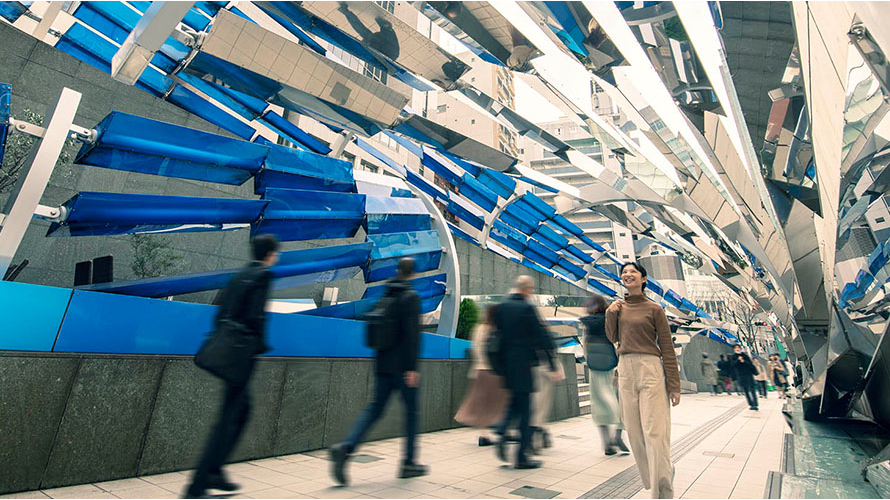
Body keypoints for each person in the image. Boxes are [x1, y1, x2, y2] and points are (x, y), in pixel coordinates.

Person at [184, 235, 279, 499]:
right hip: (241, 353)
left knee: (237, 412)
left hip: (228, 349)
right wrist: (258, 345)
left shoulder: (240, 275)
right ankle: (199, 482)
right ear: (271, 254)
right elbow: (256, 316)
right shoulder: (263, 275)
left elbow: (220, 310)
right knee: (230, 418)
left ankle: (215, 472)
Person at [330, 258, 425, 485]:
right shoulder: (410, 297)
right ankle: (409, 463)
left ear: (397, 271)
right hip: (403, 367)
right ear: (412, 274)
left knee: (374, 409)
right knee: (411, 413)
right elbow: (412, 336)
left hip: (382, 363)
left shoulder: (387, 295)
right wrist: (412, 368)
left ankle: (346, 447)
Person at [606, 262, 680, 499]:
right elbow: (612, 337)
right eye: (624, 272)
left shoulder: (654, 308)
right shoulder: (617, 308)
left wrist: (674, 385)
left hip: (650, 368)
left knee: (654, 431)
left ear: (644, 279)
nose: (627, 274)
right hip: (625, 368)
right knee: (634, 433)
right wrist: (610, 313)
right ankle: (663, 473)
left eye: (632, 272)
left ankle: (662, 490)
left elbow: (667, 347)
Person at [493, 275, 559, 469]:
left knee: (514, 403)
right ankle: (521, 456)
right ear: (527, 290)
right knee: (526, 411)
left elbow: (498, 336)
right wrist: (552, 364)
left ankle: (502, 429)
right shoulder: (527, 308)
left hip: (507, 365)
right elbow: (541, 336)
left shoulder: (502, 307)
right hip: (524, 364)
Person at [582, 294, 629, 456]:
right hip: (614, 366)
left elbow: (585, 345)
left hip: (595, 368)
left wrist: (589, 360)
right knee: (620, 401)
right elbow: (618, 341)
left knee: (599, 404)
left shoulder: (587, 324)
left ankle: (607, 443)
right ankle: (617, 435)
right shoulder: (612, 319)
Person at [454, 305, 510, 434]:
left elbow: (475, 349)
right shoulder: (495, 330)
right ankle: (500, 429)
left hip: (479, 370)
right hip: (493, 371)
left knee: (481, 404)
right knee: (498, 403)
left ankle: (483, 434)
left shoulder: (478, 329)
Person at [730, 345, 758, 410]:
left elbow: (750, 365)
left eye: (738, 348)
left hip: (749, 374)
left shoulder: (745, 356)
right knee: (746, 390)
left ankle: (755, 404)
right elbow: (733, 365)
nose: (737, 349)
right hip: (741, 375)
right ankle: (751, 404)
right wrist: (738, 360)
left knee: (752, 390)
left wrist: (744, 361)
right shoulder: (733, 357)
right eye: (736, 348)